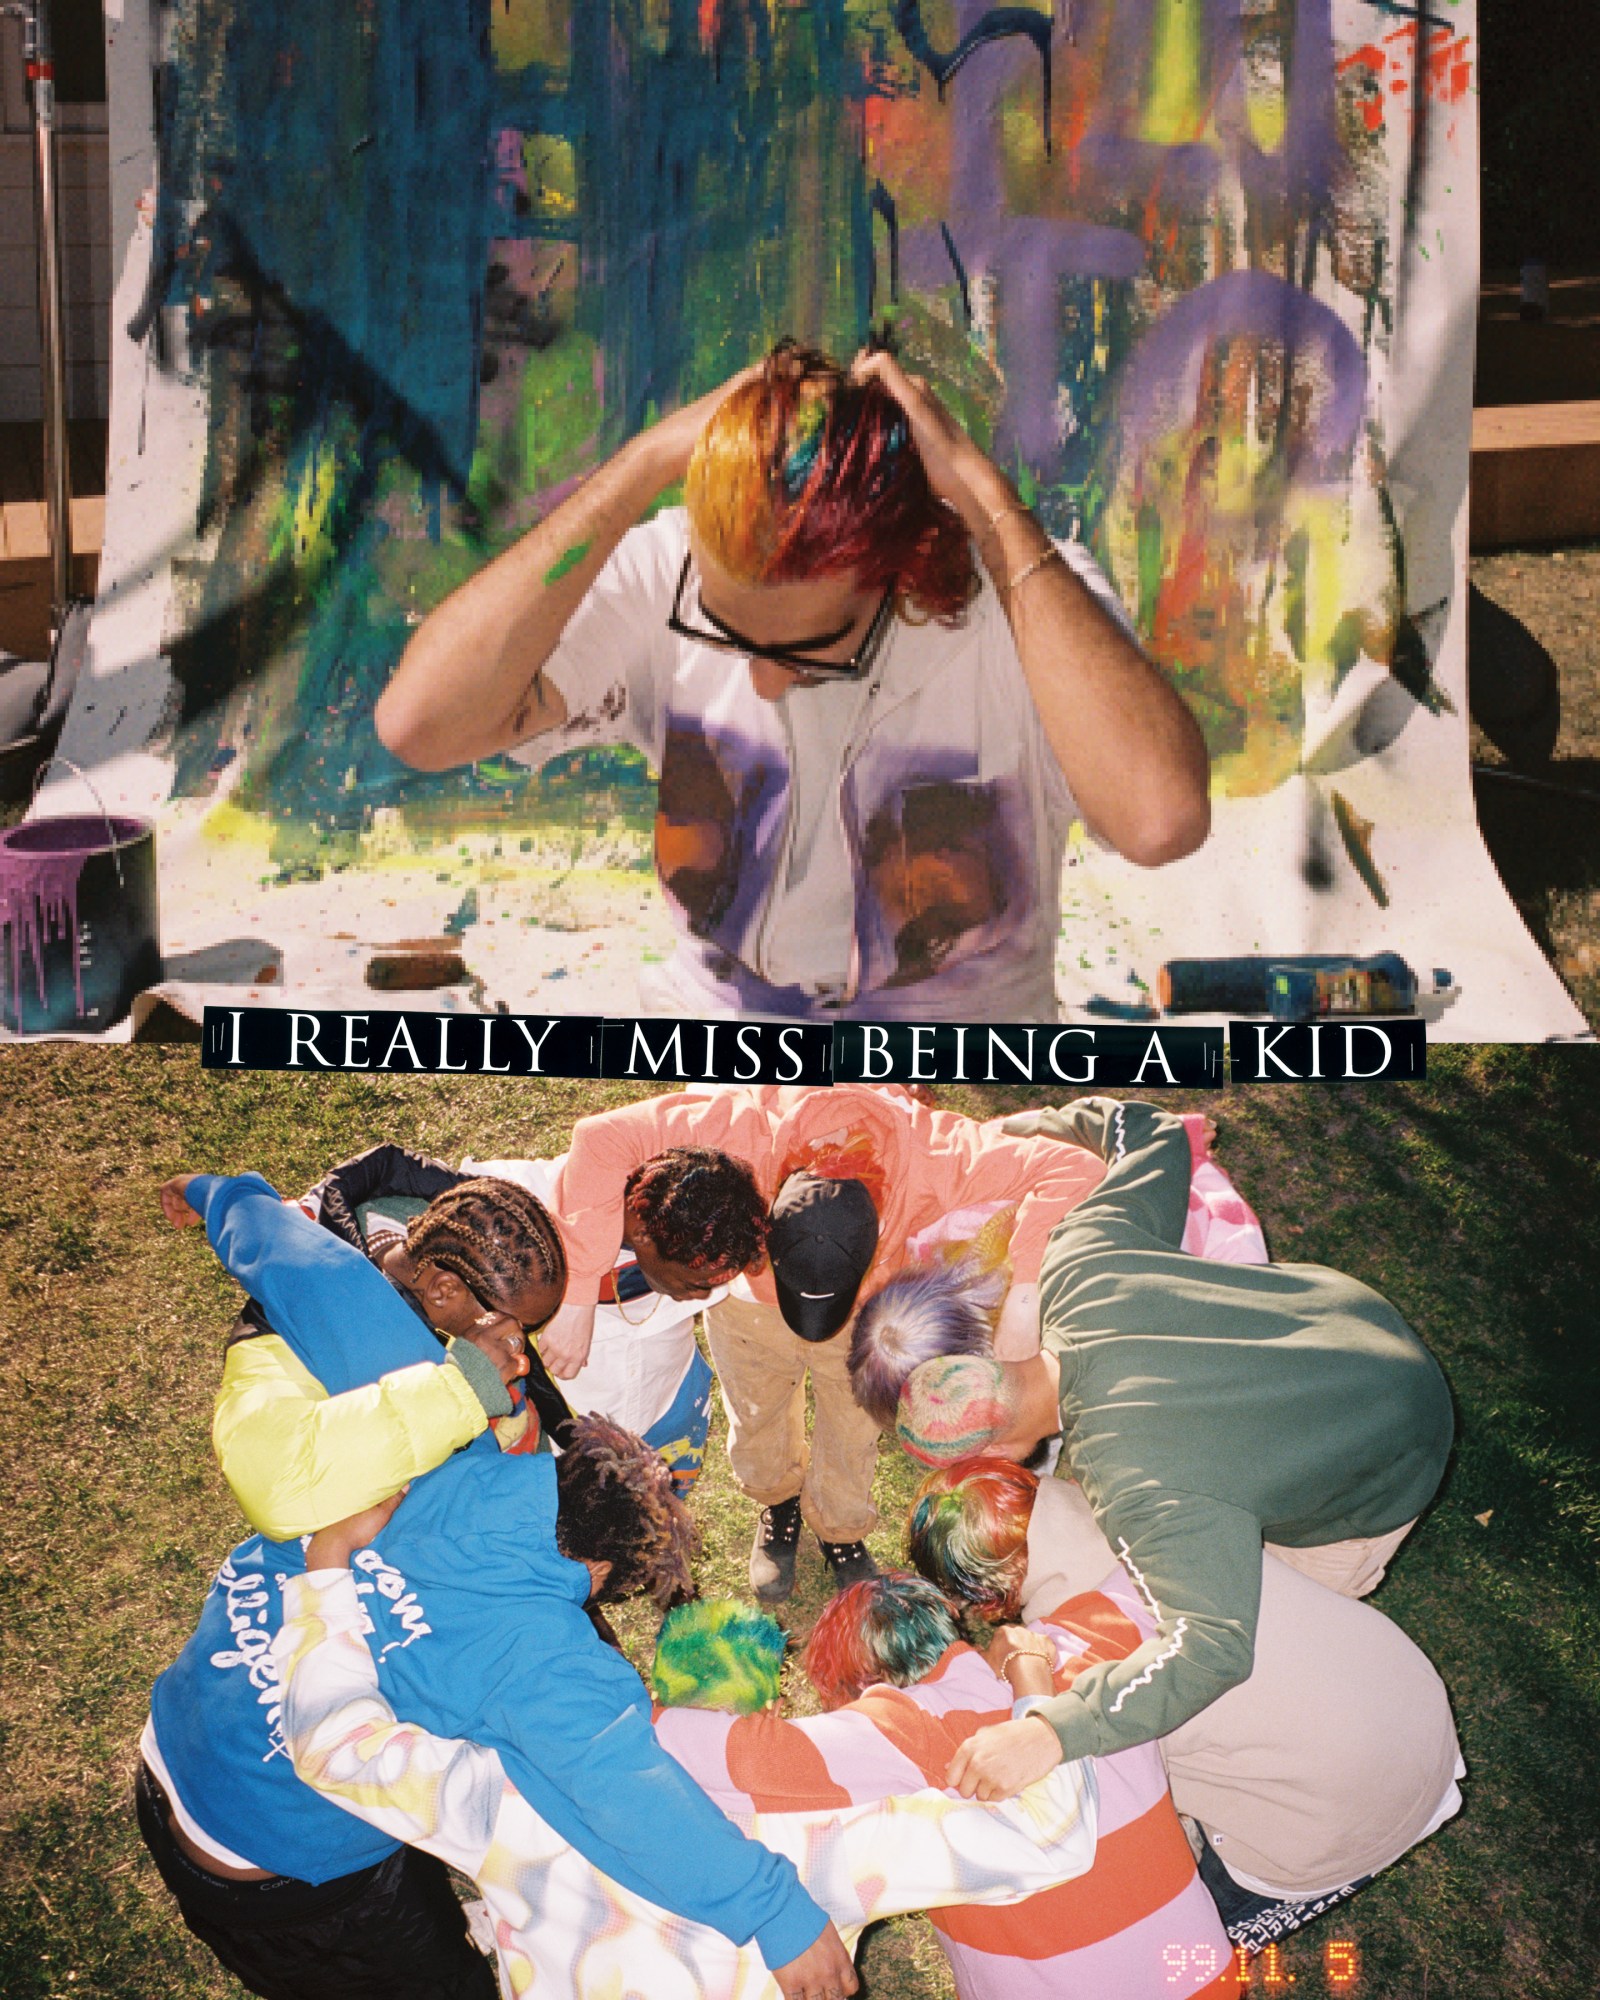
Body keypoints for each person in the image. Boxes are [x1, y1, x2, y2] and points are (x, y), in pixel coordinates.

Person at [140, 1173, 856, 2000]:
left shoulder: (436, 1414)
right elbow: (625, 1794)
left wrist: (219, 1195)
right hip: (269, 1861)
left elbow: (305, 1265)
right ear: (595, 1576)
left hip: (184, 1718)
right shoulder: (541, 1661)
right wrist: (777, 1914)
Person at [375, 339, 1210, 1022]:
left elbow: (1160, 819)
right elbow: (422, 724)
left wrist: (985, 499)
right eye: (725, 630)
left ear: (905, 573)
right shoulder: (668, 566)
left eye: (814, 648)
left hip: (959, 1075)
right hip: (713, 1055)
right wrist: (644, 465)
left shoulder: (1025, 607)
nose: (765, 684)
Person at [890, 1095, 1455, 1801]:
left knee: (1287, 1622)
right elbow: (1145, 1130)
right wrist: (1013, 1128)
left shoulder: (1137, 1485)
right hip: (1348, 1318)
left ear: (1001, 1448)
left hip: (1400, 1437)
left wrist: (1054, 1730)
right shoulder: (1079, 1263)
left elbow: (1211, 1648)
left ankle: (1368, 1722)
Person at [274, 1565, 1099, 1999]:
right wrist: (1036, 1695)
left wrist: (326, 1571)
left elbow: (333, 1747)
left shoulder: (501, 1799)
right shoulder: (823, 1852)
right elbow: (1052, 1837)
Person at [543, 1083, 1106, 1598]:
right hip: (748, 1311)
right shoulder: (738, 1128)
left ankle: (840, 1531)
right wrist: (577, 1290)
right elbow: (600, 1138)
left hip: (865, 1319)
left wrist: (1026, 1296)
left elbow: (1072, 1167)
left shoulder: (939, 1155)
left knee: (852, 1430)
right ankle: (777, 1504)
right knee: (756, 1415)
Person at [908, 1458, 1465, 1950]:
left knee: (1171, 1954)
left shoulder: (1074, 1660)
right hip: (1413, 1707)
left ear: (988, 1592)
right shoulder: (1149, 1500)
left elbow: (1088, 1810)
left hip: (1346, 1810)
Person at [159, 1168, 570, 1541]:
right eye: (513, 1330)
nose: (519, 1349)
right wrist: (465, 1387)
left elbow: (255, 1218)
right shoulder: (350, 1306)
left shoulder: (434, 1237)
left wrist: (200, 1190)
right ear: (443, 1291)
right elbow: (279, 1490)